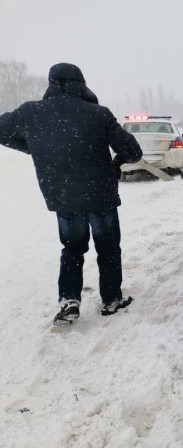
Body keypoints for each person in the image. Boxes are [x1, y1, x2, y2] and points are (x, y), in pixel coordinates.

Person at [0, 63, 143, 326]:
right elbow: (133, 151)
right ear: (81, 83)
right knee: (108, 248)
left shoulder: (30, 113)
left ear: (51, 83)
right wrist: (116, 161)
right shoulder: (98, 114)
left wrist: (32, 146)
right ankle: (111, 299)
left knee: (72, 249)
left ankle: (69, 301)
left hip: (63, 196)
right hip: (100, 195)